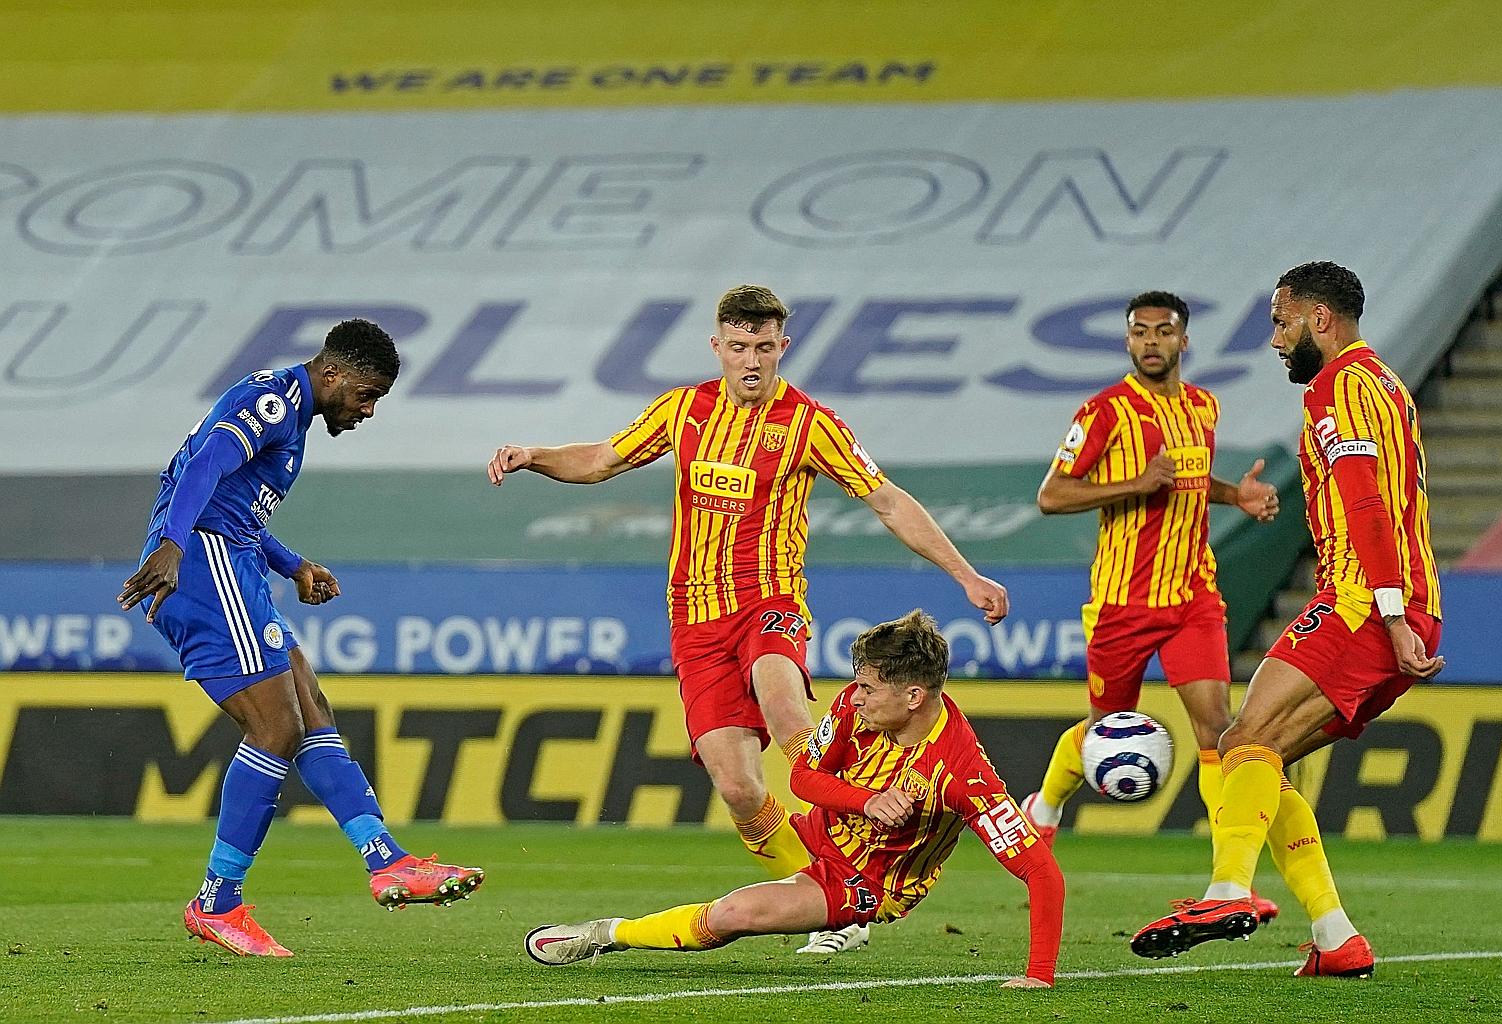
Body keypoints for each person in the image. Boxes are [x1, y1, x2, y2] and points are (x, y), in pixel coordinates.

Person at [487, 285, 1010, 954]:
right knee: (737, 788)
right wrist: (536, 455)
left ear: (781, 347)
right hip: (694, 621)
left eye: (764, 347)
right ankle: (830, 899)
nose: (752, 361)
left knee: (782, 698)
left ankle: (853, 809)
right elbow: (602, 460)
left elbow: (885, 500)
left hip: (770, 604)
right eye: (739, 347)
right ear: (718, 347)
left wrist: (964, 575)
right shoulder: (684, 410)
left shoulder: (811, 424)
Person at [118, 319, 484, 957]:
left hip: (232, 558)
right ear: (333, 373)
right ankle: (217, 900)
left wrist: (295, 565)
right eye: (366, 394)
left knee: (311, 711)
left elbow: (235, 503)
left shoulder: (290, 416)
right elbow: (203, 469)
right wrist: (173, 547)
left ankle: (385, 860)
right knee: (276, 729)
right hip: (205, 563)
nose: (367, 410)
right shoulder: (275, 402)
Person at [1131, 262, 1443, 978]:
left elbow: (1365, 501)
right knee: (1264, 761)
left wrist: (1391, 615)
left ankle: (1226, 891)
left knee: (1243, 738)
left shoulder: (1340, 385)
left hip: (1365, 603)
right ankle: (1337, 940)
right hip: (1396, 606)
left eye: (1280, 321)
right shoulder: (1386, 383)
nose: (1274, 340)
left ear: (1319, 320)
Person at [525, 610, 1064, 987]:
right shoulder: (857, 709)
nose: (855, 695)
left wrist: (1038, 976)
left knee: (733, 915)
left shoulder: (964, 775)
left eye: (869, 687)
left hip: (865, 884)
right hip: (816, 833)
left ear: (914, 696)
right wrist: (867, 800)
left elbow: (1042, 873)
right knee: (742, 794)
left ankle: (604, 934)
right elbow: (805, 778)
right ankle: (842, 931)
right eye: (857, 683)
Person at [1019, 291, 1282, 921]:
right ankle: (1045, 807)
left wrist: (1232, 497)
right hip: (1122, 602)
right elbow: (1052, 496)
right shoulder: (1104, 412)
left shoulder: (1203, 406)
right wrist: (1135, 484)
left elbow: (1188, 482)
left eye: (1164, 331)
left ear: (1184, 341)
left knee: (1219, 730)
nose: (1152, 342)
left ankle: (1227, 884)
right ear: (1129, 341)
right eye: (1140, 332)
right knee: (1103, 729)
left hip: (1193, 595)